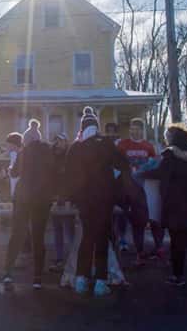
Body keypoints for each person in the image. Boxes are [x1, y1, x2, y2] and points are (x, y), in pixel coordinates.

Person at [65, 107, 130, 296]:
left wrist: (73, 197)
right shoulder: (107, 144)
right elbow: (123, 165)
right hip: (104, 198)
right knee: (102, 238)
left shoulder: (76, 148)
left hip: (84, 201)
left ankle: (81, 279)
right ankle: (101, 281)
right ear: (97, 127)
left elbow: (68, 176)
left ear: (82, 128)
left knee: (86, 238)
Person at [142, 124, 187, 285]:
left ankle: (177, 276)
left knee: (177, 241)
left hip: (176, 204)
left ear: (172, 137)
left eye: (167, 136)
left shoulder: (171, 154)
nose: (166, 139)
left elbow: (162, 174)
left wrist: (140, 173)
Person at [3, 119, 55, 290]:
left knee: (17, 234)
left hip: (23, 197)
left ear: (27, 140)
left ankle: (8, 273)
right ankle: (37, 278)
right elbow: (55, 172)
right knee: (38, 237)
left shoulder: (23, 152)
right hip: (42, 198)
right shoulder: (48, 151)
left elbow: (14, 173)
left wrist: (11, 169)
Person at [117, 117, 162, 264]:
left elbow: (154, 165)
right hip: (126, 187)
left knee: (144, 220)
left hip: (144, 189)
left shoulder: (148, 146)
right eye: (132, 129)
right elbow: (116, 163)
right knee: (123, 216)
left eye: (137, 129)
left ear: (142, 130)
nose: (134, 131)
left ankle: (154, 249)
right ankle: (123, 241)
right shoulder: (123, 144)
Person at [49, 132, 75, 273]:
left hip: (67, 199)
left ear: (66, 142)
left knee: (69, 229)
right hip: (54, 198)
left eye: (60, 141)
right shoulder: (52, 157)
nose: (57, 144)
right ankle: (59, 259)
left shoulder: (70, 158)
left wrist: (69, 196)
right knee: (57, 229)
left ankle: (72, 259)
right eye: (56, 141)